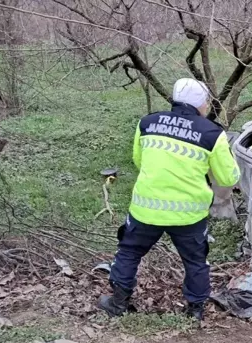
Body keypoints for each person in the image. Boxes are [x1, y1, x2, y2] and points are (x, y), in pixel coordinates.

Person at [98, 78, 240, 320]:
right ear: (201, 104)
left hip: (145, 209)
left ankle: (118, 303)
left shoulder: (147, 123)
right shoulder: (212, 133)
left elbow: (139, 161)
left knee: (129, 252)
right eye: (206, 102)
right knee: (195, 261)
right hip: (189, 215)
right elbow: (228, 178)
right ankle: (195, 311)